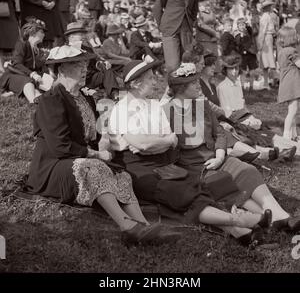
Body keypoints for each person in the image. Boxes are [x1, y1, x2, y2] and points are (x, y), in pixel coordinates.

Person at [107, 57, 281, 247]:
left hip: (164, 162)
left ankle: (243, 234)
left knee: (199, 187)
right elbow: (141, 145)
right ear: (135, 83)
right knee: (181, 193)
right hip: (138, 168)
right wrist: (156, 142)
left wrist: (157, 141)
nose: (155, 81)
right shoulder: (122, 109)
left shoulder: (153, 106)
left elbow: (170, 139)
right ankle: (239, 222)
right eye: (150, 78)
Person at [23, 44, 180, 245]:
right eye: (77, 65)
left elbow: (95, 136)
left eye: (84, 65)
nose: (84, 70)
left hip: (79, 159)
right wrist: (97, 155)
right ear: (61, 70)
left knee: (121, 174)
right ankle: (128, 228)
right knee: (95, 167)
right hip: (53, 166)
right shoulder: (51, 99)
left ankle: (144, 226)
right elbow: (60, 147)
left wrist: (105, 144)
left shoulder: (86, 97)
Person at [164, 62, 300, 234]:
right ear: (181, 88)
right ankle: (275, 218)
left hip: (217, 157)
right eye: (193, 83)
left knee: (247, 169)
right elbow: (166, 150)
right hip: (195, 168)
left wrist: (220, 156)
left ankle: (279, 216)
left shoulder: (202, 105)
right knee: (223, 182)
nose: (198, 85)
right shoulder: (165, 112)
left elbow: (220, 134)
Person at [153, 0, 199, 73]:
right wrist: (161, 26)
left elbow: (194, 9)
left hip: (186, 30)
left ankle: (180, 89)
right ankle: (172, 88)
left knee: (187, 65)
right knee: (173, 66)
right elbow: (158, 6)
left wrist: (191, 23)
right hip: (170, 29)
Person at [64, 21, 119, 99]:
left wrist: (102, 63)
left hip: (89, 78)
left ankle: (114, 94)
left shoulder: (87, 48)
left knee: (107, 69)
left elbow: (95, 60)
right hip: (75, 80)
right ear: (71, 36)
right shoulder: (64, 50)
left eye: (83, 34)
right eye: (80, 34)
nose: (83, 36)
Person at [0, 19, 46, 103]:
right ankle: (33, 101)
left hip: (26, 77)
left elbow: (37, 67)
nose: (44, 34)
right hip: (13, 76)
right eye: (42, 32)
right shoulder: (22, 44)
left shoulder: (37, 50)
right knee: (28, 81)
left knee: (36, 86)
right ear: (33, 33)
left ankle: (39, 100)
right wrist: (32, 74)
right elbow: (17, 64)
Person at [277, 26, 300, 142]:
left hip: (285, 83)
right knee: (293, 111)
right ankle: (286, 136)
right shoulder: (292, 51)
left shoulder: (281, 52)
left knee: (292, 110)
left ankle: (294, 135)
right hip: (293, 85)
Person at [0, 0, 19, 73]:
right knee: (3, 41)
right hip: (4, 16)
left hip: (6, 15)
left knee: (5, 42)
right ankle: (2, 68)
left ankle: (4, 66)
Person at [257, 0, 277, 89]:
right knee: (266, 61)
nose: (272, 7)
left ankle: (270, 81)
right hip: (266, 38)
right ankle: (267, 82)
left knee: (268, 61)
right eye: (270, 6)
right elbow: (262, 31)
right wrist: (260, 43)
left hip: (268, 37)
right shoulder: (265, 16)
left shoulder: (267, 16)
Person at [235, 17, 258, 90]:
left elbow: (251, 30)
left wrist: (247, 25)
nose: (242, 27)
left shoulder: (249, 33)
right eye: (240, 25)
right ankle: (242, 86)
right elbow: (237, 45)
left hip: (251, 54)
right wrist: (241, 36)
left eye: (243, 25)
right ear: (238, 27)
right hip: (242, 55)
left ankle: (251, 86)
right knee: (243, 71)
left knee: (252, 71)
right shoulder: (237, 36)